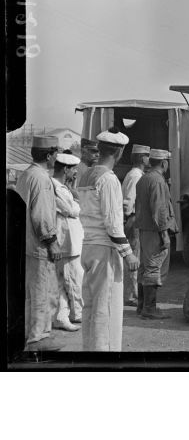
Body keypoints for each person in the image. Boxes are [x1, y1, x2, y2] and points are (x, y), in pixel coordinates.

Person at [78, 128, 139, 351]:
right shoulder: (109, 179)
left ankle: (89, 351)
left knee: (90, 306)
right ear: (120, 151)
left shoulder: (85, 175)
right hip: (104, 249)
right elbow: (113, 225)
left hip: (87, 246)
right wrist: (128, 253)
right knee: (106, 309)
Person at [16, 135, 61, 351]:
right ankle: (38, 338)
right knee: (42, 291)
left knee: (32, 293)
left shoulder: (27, 174)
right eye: (56, 153)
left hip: (26, 244)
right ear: (50, 155)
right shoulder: (41, 178)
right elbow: (42, 216)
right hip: (39, 245)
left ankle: (30, 335)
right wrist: (51, 240)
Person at [134, 149, 178, 319]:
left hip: (145, 230)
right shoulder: (158, 181)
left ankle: (142, 306)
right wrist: (164, 233)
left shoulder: (144, 178)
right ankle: (149, 309)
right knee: (153, 267)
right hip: (155, 231)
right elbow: (159, 210)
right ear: (164, 163)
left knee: (145, 267)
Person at [51, 152, 84, 332]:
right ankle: (73, 314)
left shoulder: (62, 187)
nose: (76, 173)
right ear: (65, 169)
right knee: (71, 280)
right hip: (66, 243)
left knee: (69, 280)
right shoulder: (56, 188)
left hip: (71, 241)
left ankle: (65, 315)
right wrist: (77, 202)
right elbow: (73, 210)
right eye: (73, 169)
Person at [121, 144, 151, 307]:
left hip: (133, 220)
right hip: (133, 220)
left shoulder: (135, 174)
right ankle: (131, 295)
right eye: (147, 156)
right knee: (134, 257)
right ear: (142, 158)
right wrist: (130, 220)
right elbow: (129, 202)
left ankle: (131, 293)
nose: (149, 159)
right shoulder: (136, 176)